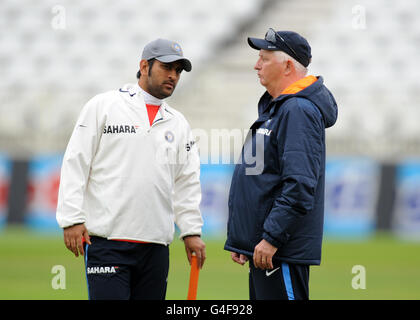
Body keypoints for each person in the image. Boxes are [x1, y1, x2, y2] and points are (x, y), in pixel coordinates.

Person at [56, 38, 206, 300]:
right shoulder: (104, 106)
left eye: (178, 70)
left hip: (156, 247)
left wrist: (191, 231)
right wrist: (72, 219)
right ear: (144, 66)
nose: (173, 75)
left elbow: (187, 182)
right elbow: (76, 161)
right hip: (107, 242)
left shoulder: (179, 123)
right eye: (166, 67)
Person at [224, 29, 338, 300]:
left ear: (287, 65)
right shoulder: (280, 108)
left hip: (280, 251)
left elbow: (298, 185)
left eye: (264, 58)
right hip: (267, 250)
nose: (256, 64)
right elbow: (265, 179)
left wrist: (272, 238)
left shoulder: (297, 110)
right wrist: (247, 239)